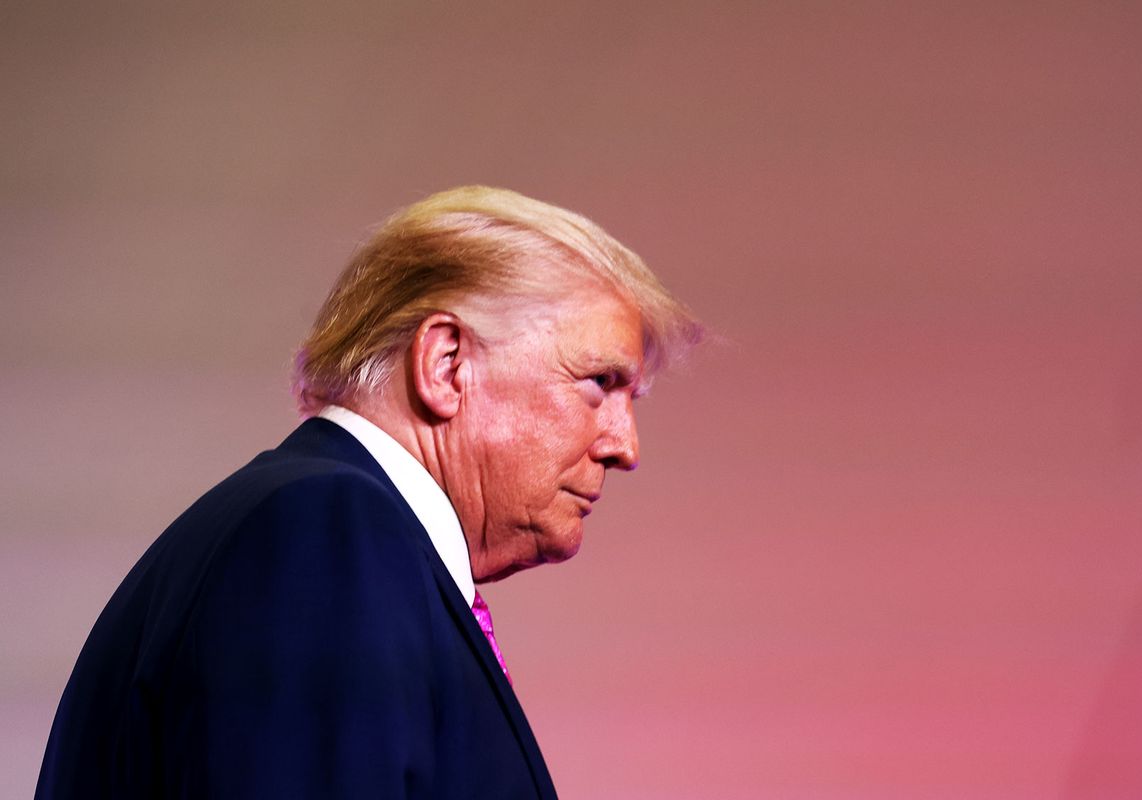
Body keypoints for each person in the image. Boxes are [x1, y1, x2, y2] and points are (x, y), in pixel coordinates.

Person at [35, 186, 702, 799]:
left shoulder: (327, 536)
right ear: (446, 365)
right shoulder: (323, 534)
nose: (625, 447)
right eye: (599, 383)